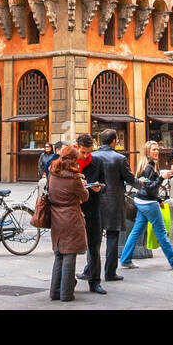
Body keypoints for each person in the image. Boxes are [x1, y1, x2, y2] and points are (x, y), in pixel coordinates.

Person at [119, 140, 173, 271]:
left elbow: (145, 187)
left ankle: (125, 259)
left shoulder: (146, 166)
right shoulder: (149, 168)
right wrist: (162, 178)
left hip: (141, 201)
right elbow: (150, 188)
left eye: (157, 149)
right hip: (149, 203)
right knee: (161, 232)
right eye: (153, 150)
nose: (157, 152)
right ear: (147, 153)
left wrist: (159, 199)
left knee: (136, 231)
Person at [90, 129, 138, 283]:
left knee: (94, 239)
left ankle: (89, 270)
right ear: (113, 141)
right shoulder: (119, 158)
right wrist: (143, 184)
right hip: (114, 202)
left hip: (96, 201)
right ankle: (110, 272)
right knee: (112, 237)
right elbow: (130, 179)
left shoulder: (93, 156)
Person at [47, 145, 89, 302]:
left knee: (59, 254)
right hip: (71, 217)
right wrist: (84, 186)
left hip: (55, 217)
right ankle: (66, 294)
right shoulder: (74, 178)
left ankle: (55, 292)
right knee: (70, 255)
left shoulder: (53, 173)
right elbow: (84, 197)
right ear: (73, 159)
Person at [75, 133, 107, 294]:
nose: (86, 155)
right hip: (74, 211)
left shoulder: (97, 162)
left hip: (93, 209)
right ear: (76, 148)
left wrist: (99, 188)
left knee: (95, 247)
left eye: (88, 152)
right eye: (83, 152)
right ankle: (68, 280)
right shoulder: (70, 163)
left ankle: (95, 281)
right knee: (71, 248)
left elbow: (104, 184)